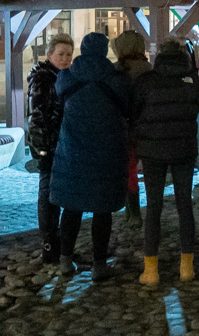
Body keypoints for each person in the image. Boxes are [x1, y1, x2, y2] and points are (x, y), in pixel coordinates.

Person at [50, 33, 132, 279]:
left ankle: (65, 260)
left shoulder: (67, 77)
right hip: (105, 155)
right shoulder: (116, 80)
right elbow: (128, 108)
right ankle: (99, 265)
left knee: (71, 208)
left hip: (72, 153)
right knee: (102, 210)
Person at [133, 39, 199, 285]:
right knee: (185, 205)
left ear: (159, 55)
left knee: (153, 207)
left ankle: (151, 270)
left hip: (153, 151)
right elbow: (195, 109)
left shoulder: (146, 81)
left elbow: (136, 111)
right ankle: (186, 267)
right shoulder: (192, 80)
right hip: (184, 149)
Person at [28, 33, 74, 264]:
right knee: (47, 194)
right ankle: (49, 244)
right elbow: (38, 116)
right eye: (60, 54)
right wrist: (44, 146)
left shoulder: (62, 76)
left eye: (68, 54)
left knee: (56, 194)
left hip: (62, 145)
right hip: (49, 146)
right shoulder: (44, 79)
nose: (65, 59)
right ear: (49, 55)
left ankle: (56, 244)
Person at [113, 30, 152, 227]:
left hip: (125, 128)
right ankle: (138, 211)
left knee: (130, 171)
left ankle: (133, 212)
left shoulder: (117, 71)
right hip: (148, 127)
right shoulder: (150, 70)